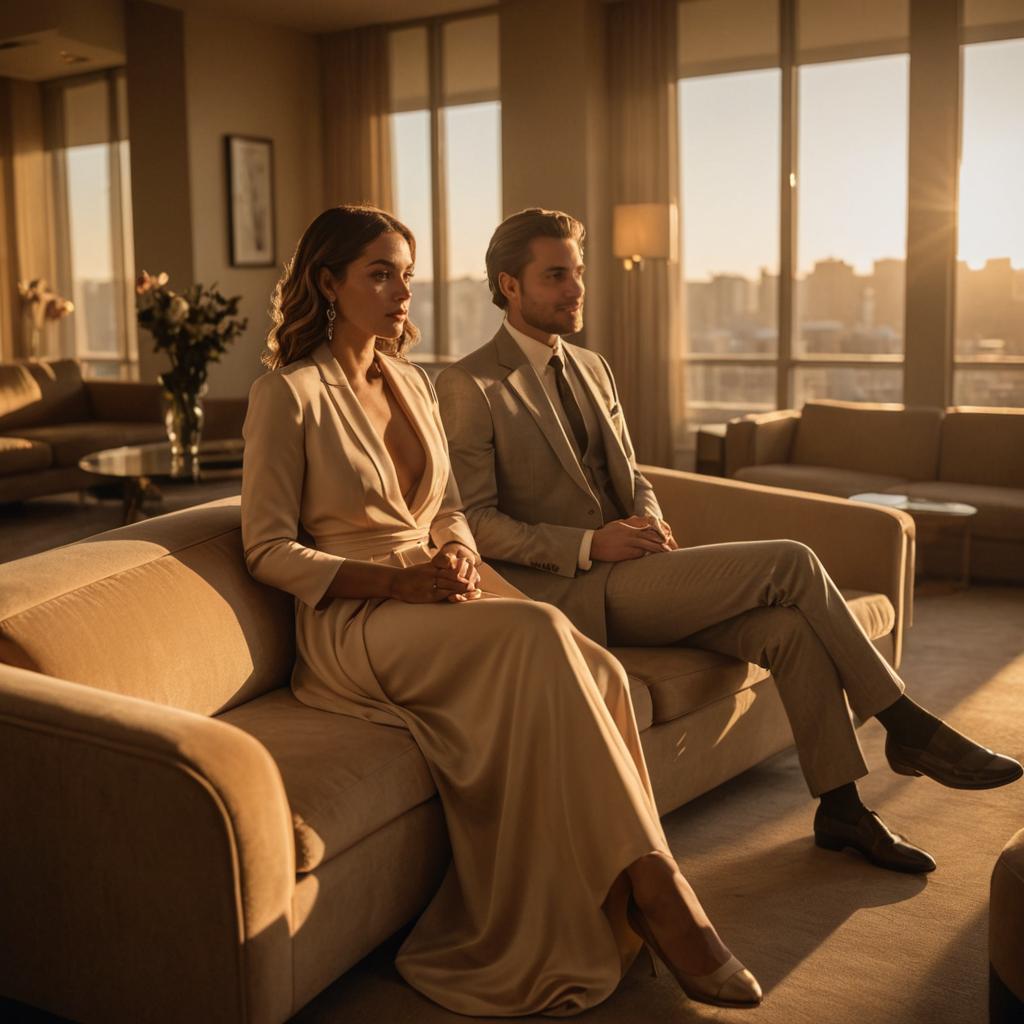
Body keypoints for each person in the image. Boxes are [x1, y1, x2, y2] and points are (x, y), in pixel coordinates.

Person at [240, 205, 763, 1016]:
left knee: (599, 670)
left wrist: (449, 550)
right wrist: (395, 583)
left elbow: (446, 506)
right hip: (357, 620)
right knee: (542, 628)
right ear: (327, 283)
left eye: (406, 274)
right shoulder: (289, 394)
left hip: (439, 584)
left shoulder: (412, 382)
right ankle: (664, 897)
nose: (399, 292)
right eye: (379, 273)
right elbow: (266, 550)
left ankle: (622, 890)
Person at [436, 207, 1022, 882]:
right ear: (509, 286)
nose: (576, 290)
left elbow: (633, 476)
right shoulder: (468, 383)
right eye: (556, 275)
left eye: (579, 273)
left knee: (787, 631)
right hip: (569, 591)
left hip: (635, 573)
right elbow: (473, 520)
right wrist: (592, 543)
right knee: (791, 561)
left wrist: (648, 519)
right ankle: (907, 724)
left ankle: (842, 809)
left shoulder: (593, 368)